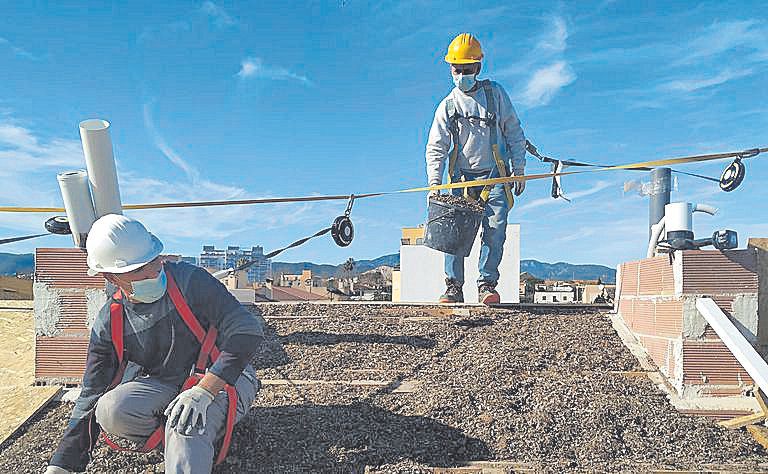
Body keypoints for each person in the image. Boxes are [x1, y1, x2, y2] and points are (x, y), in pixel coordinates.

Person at [44, 214, 265, 474]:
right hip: (166, 385)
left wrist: (204, 391)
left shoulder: (189, 281)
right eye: (138, 269)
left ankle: (191, 439)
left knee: (186, 424)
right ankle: (186, 440)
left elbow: (247, 329)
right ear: (111, 277)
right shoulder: (112, 321)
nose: (153, 270)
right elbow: (92, 393)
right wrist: (62, 464)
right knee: (110, 409)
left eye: (153, 259)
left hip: (227, 379)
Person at [425, 33, 527, 305]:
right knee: (453, 235)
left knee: (495, 230)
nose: (462, 75)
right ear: (451, 69)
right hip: (461, 180)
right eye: (457, 70)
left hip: (495, 176)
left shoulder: (495, 95)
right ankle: (453, 287)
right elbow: (436, 146)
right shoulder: (447, 106)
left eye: (467, 70)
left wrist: (519, 167)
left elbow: (514, 132)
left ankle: (486, 284)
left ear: (478, 68)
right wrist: (435, 183)